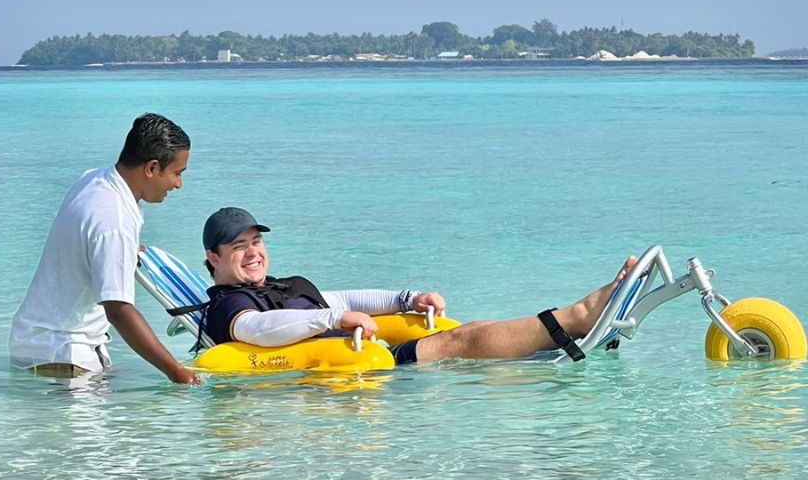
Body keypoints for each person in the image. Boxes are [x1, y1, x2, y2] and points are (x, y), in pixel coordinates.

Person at [199, 206, 634, 365]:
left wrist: (407, 298)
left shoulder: (276, 286)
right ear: (214, 259)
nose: (254, 252)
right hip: (350, 370)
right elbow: (256, 330)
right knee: (462, 341)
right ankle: (579, 316)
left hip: (363, 357)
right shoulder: (229, 304)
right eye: (239, 246)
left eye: (257, 241)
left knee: (471, 327)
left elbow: (347, 298)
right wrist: (332, 319)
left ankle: (567, 332)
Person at [8, 114, 201, 384]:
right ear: (152, 168)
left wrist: (123, 250)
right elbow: (119, 310)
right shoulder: (114, 221)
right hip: (64, 355)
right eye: (177, 173)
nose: (179, 184)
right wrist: (176, 372)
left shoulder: (95, 180)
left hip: (38, 345)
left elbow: (87, 236)